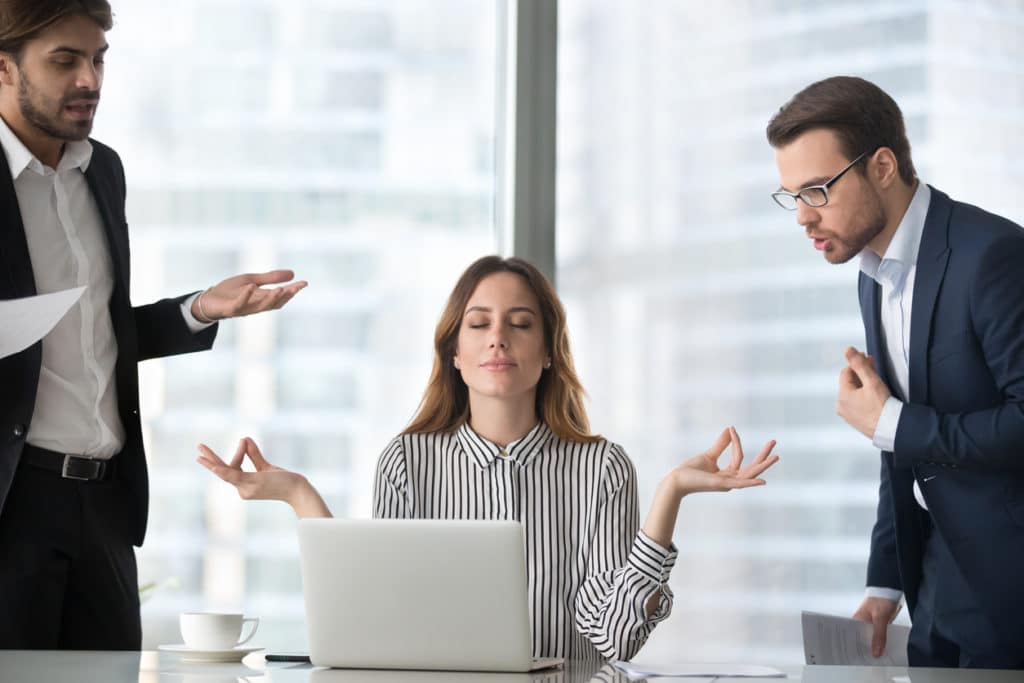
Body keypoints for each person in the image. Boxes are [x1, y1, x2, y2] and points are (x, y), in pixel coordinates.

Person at [198, 255, 780, 662]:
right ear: (456, 352)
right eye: (479, 324)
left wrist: (670, 493)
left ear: (548, 353)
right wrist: (299, 494)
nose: (498, 338)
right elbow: (379, 615)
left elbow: (614, 636)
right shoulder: (407, 461)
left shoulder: (602, 468)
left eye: (520, 324)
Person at [0, 0, 306, 650]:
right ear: (4, 68)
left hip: (106, 509)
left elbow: (92, 331)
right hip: (12, 507)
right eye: (65, 61)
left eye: (98, 58)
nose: (90, 79)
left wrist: (198, 310)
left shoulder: (102, 171)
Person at [766, 76, 1024, 668]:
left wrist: (894, 424)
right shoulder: (872, 274)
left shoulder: (994, 257)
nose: (803, 218)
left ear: (882, 166)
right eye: (791, 196)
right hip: (934, 593)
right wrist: (886, 585)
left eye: (817, 191)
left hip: (1010, 598)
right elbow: (898, 446)